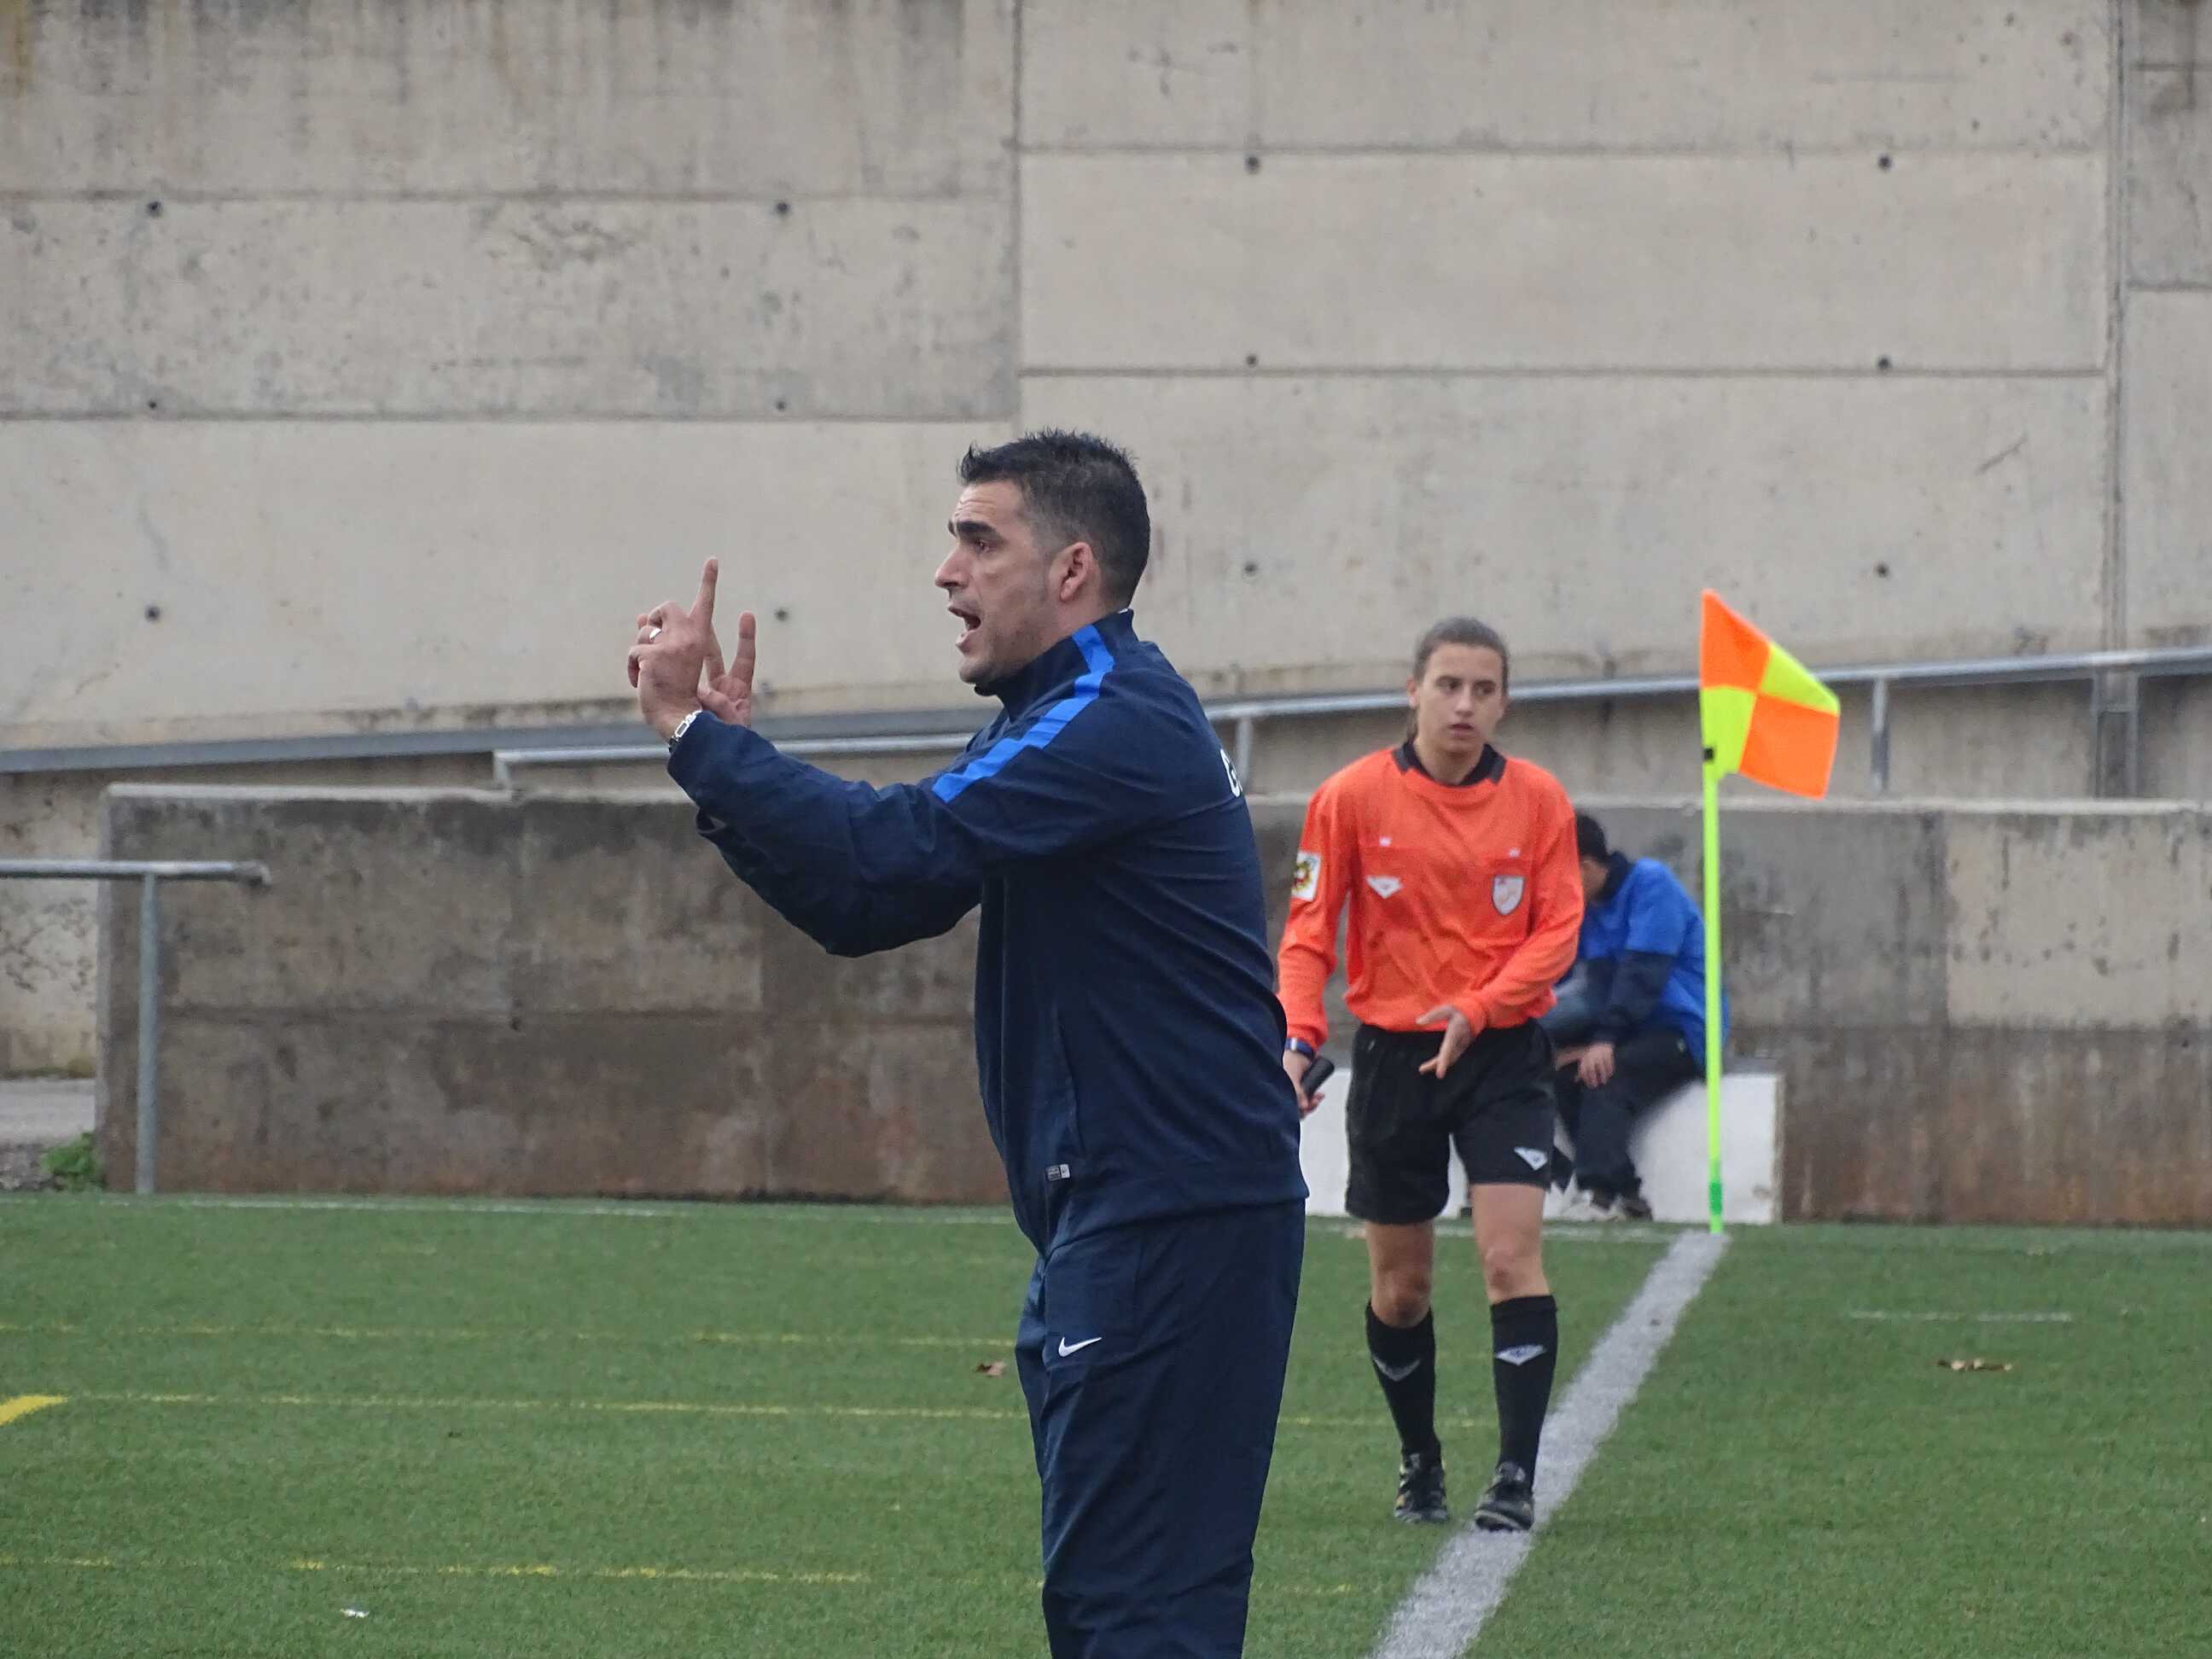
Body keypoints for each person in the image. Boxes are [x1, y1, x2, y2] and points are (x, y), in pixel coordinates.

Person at [626, 430, 1307, 1659]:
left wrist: (696, 736)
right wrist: (718, 767)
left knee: (1133, 1616)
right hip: (1135, 1221)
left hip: (1167, 1222)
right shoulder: (1059, 716)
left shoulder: (1109, 716)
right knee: (1119, 1607)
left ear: (1073, 569)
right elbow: (867, 905)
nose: (947, 571)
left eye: (979, 541)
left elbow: (888, 851)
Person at [1276, 618, 1582, 1534]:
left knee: (1508, 1258)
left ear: (1505, 702)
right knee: (1400, 1290)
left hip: (1501, 1054)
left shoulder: (1539, 801)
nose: (1464, 705)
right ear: (1413, 690)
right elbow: (1306, 936)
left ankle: (1516, 1476)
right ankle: (1421, 1460)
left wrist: (1478, 1009)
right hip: (1393, 1059)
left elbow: (1557, 933)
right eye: (1449, 685)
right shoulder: (1349, 798)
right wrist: (1296, 1037)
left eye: (1484, 690)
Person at [1541, 813, 1723, 1222]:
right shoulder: (1587, 911)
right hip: (1629, 1029)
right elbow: (1577, 986)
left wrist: (1604, 1040)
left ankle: (1598, 1195)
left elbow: (1643, 976)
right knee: (1566, 1077)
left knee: (1606, 1077)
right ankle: (1627, 1194)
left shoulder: (1651, 885)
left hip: (1684, 1029)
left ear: (1585, 866)